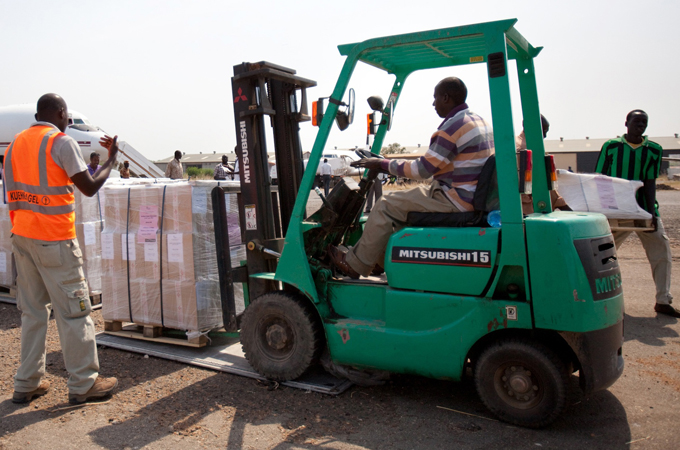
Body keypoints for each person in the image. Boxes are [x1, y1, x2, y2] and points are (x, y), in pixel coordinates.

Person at [4, 94, 119, 404]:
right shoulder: (60, 142)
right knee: (74, 312)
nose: (68, 121)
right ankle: (84, 383)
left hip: (22, 238)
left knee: (33, 313)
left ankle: (27, 382)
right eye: (67, 116)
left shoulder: (15, 144)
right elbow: (89, 187)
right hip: (54, 240)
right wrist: (110, 160)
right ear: (59, 113)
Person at [328, 77, 494, 278]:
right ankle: (379, 260)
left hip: (455, 199)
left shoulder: (453, 127)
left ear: (446, 97)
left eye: (435, 98)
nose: (433, 104)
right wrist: (386, 162)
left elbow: (422, 170)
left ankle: (356, 265)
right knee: (402, 206)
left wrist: (382, 164)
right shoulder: (478, 121)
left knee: (385, 204)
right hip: (469, 195)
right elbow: (435, 161)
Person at [595, 109, 678, 318]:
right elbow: (600, 179)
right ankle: (599, 300)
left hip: (643, 211)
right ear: (626, 123)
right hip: (616, 212)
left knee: (661, 250)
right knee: (602, 255)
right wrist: (602, 211)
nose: (641, 125)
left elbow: (650, 182)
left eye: (644, 122)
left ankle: (663, 300)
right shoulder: (611, 147)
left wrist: (652, 214)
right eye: (637, 121)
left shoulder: (654, 149)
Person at [516, 115, 571, 214]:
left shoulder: (516, 143)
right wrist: (563, 206)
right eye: (544, 131)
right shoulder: (526, 149)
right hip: (525, 206)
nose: (545, 136)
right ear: (533, 128)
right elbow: (540, 180)